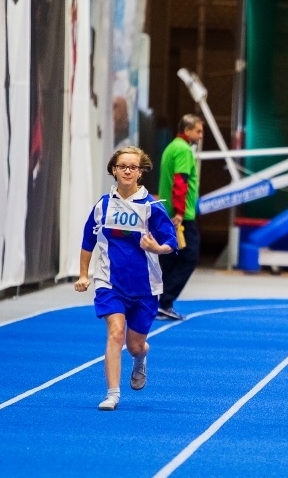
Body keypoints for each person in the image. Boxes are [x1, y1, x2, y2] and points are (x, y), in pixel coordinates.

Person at [74, 146, 177, 411]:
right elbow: (88, 242)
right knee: (116, 332)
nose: (127, 171)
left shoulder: (152, 207)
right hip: (110, 283)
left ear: (140, 172)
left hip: (145, 287)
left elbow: (171, 242)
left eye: (133, 167)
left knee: (135, 345)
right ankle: (112, 394)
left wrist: (157, 248)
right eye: (122, 166)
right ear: (114, 170)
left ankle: (141, 358)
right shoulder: (103, 206)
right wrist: (84, 274)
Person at [157, 114, 203, 320]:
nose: (200, 136)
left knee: (169, 259)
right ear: (187, 130)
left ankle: (160, 303)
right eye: (198, 131)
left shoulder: (171, 148)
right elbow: (180, 182)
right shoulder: (184, 150)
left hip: (166, 212)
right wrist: (180, 212)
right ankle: (165, 300)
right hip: (181, 216)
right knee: (189, 257)